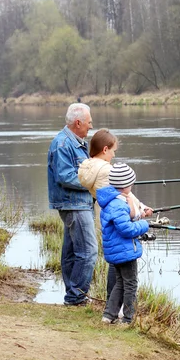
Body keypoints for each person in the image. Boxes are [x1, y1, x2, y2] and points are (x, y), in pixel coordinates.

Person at [77, 129, 153, 301]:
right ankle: (114, 304)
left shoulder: (88, 166)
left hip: (104, 218)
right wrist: (142, 212)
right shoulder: (105, 170)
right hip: (117, 222)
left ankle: (112, 304)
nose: (113, 155)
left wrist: (140, 206)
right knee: (119, 265)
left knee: (114, 260)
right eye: (113, 151)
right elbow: (123, 196)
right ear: (105, 149)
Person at [47, 103, 97, 306]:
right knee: (88, 252)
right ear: (78, 122)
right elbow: (65, 176)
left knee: (71, 251)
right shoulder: (62, 144)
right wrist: (95, 184)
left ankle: (72, 295)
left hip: (78, 204)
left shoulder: (76, 142)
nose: (90, 127)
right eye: (89, 122)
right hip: (73, 205)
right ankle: (76, 298)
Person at [96, 163, 149, 324]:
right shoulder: (119, 205)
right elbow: (126, 229)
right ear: (126, 185)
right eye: (131, 183)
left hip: (116, 251)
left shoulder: (111, 202)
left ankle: (109, 315)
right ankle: (128, 318)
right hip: (124, 251)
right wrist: (144, 225)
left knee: (120, 283)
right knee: (130, 284)